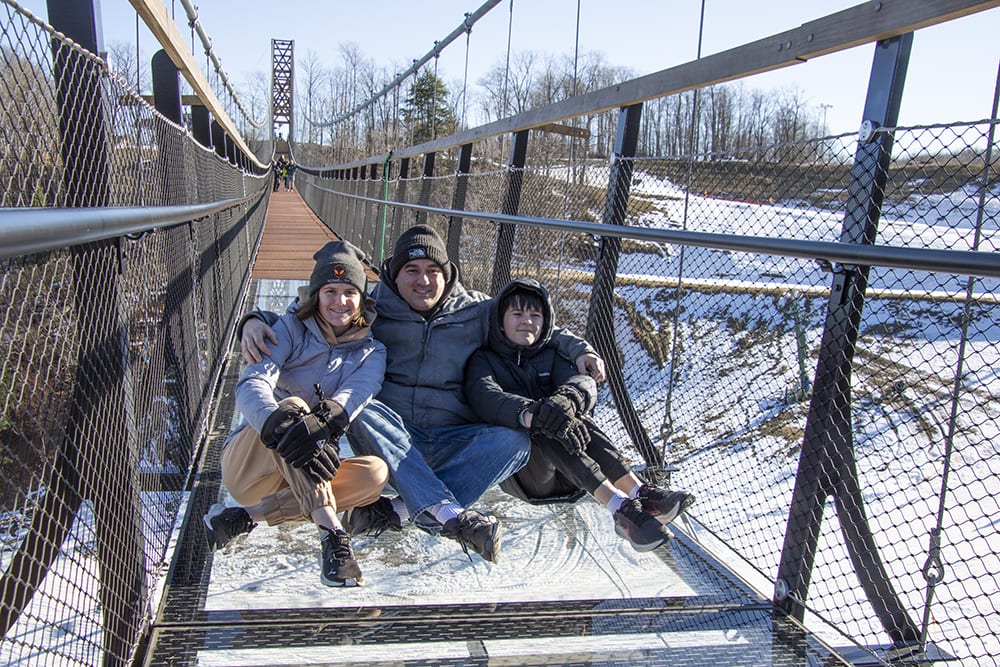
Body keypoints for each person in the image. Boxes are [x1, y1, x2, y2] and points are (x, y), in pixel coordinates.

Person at [240, 225, 605, 563]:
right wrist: (256, 320)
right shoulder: (372, 307)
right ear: (394, 274)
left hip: (455, 435)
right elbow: (315, 310)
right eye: (411, 270)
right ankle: (445, 514)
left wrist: (580, 350)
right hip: (394, 436)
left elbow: (533, 325)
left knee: (514, 443)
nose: (423, 280)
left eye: (433, 269)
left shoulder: (478, 310)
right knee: (363, 410)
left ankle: (398, 510)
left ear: (447, 273)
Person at [204, 240, 390, 587]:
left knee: (376, 473)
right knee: (294, 408)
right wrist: (276, 424)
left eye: (349, 291)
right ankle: (333, 534)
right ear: (315, 294)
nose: (339, 301)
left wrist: (323, 424)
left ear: (362, 299)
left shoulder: (371, 352)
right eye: (330, 291)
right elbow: (251, 384)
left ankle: (243, 518)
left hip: (298, 478)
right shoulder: (287, 330)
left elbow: (354, 395)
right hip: (251, 466)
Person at [464, 277, 695, 551]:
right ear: (500, 321)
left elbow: (581, 381)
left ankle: (639, 492)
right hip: (527, 476)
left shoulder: (551, 354)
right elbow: (485, 396)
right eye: (517, 314)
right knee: (545, 421)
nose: (527, 321)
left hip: (575, 479)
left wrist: (567, 399)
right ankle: (618, 506)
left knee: (568, 414)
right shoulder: (484, 359)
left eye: (535, 315)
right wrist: (531, 412)